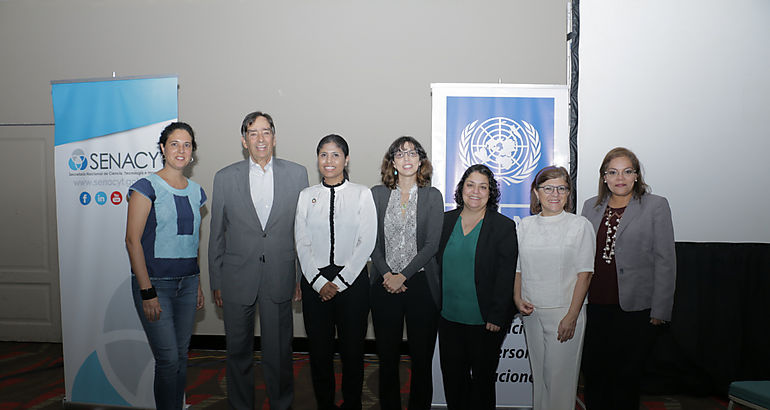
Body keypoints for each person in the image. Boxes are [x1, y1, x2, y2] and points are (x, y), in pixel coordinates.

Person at [208, 111, 309, 410]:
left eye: (266, 132)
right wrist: (216, 280)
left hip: (280, 275)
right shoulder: (225, 177)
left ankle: (281, 404)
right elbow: (217, 234)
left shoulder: (297, 174)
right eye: (253, 133)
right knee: (237, 352)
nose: (260, 138)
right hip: (236, 278)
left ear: (275, 138)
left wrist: (300, 277)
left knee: (278, 353)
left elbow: (302, 231)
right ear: (244, 141)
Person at [580, 147, 676, 410]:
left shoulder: (655, 205)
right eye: (612, 172)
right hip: (596, 305)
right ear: (604, 177)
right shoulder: (591, 206)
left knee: (626, 378)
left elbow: (665, 260)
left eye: (626, 171)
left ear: (636, 176)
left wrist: (661, 310)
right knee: (595, 374)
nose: (619, 177)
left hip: (636, 309)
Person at [125, 122, 206, 410]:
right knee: (168, 359)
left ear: (193, 151)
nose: (181, 150)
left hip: (188, 284)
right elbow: (133, 242)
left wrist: (197, 283)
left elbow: (193, 242)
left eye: (187, 144)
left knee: (182, 357)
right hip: (156, 285)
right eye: (174, 144)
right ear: (162, 148)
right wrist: (147, 292)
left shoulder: (197, 192)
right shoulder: (145, 188)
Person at [295, 134, 377, 410]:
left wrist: (340, 282)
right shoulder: (307, 196)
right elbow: (301, 242)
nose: (329, 161)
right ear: (317, 159)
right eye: (323, 155)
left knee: (353, 353)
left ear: (346, 159)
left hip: (352, 284)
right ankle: (325, 405)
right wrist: (318, 282)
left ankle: (352, 404)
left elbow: (366, 242)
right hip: (314, 284)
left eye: (335, 155)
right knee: (320, 354)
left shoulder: (362, 193)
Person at [369, 136, 443, 410]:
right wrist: (389, 274)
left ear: (421, 160)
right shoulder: (377, 194)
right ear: (392, 162)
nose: (407, 158)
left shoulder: (432, 196)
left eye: (413, 153)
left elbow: (431, 245)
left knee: (421, 359)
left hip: (421, 285)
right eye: (400, 154)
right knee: (387, 358)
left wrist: (404, 275)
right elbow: (370, 241)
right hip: (383, 283)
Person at [436, 164, 518, 410]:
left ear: (490, 193)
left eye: (483, 187)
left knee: (481, 384)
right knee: (453, 381)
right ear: (461, 188)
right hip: (448, 318)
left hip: (485, 322)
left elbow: (506, 275)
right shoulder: (444, 221)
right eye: (470, 185)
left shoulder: (503, 226)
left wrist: (496, 315)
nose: (475, 191)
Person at [513, 166, 595, 410]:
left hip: (564, 313)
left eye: (561, 188)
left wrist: (571, 316)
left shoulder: (580, 225)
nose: (555, 194)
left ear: (568, 193)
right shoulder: (524, 226)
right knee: (540, 379)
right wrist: (517, 299)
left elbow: (585, 274)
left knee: (560, 382)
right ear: (536, 193)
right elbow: (518, 268)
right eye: (548, 188)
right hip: (531, 312)